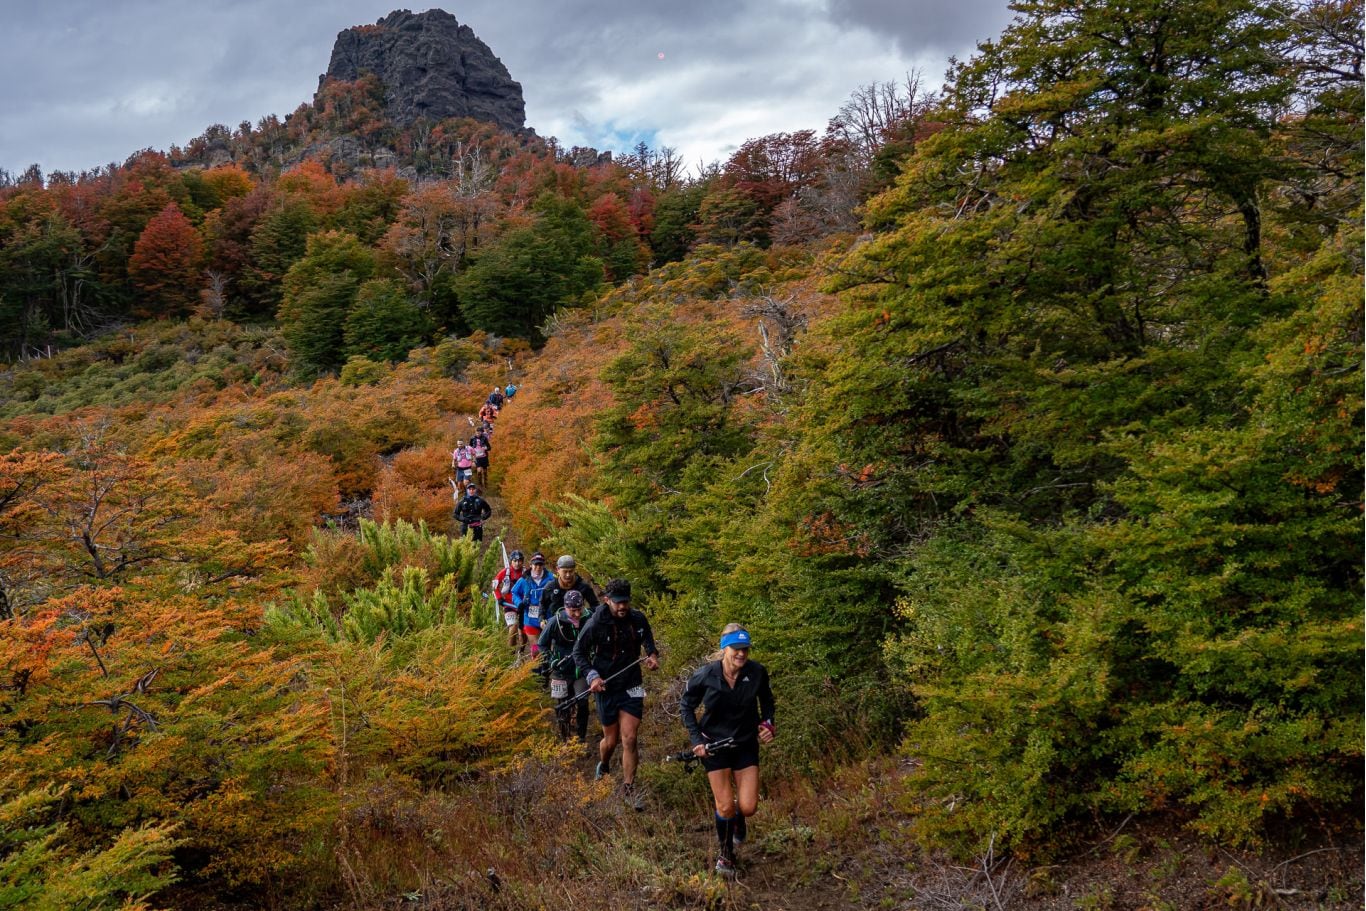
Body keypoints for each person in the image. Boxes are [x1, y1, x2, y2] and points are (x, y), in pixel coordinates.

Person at [679, 625, 775, 877]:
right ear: (724, 649)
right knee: (724, 807)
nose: (741, 654)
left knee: (748, 807)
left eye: (745, 649)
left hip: (745, 745)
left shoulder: (757, 673)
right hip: (714, 747)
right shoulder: (705, 675)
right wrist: (696, 739)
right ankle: (726, 855)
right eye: (736, 649)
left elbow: (767, 701)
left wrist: (768, 724)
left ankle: (738, 820)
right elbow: (686, 706)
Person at [573, 578, 659, 810]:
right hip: (606, 685)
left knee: (629, 737)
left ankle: (628, 787)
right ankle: (604, 763)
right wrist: (592, 676)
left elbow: (649, 642)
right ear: (607, 600)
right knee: (610, 742)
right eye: (618, 602)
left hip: (632, 684)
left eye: (626, 602)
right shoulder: (595, 624)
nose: (623, 607)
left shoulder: (638, 619)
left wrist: (652, 656)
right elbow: (578, 652)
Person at [538, 589, 593, 741]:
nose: (576, 614)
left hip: (581, 670)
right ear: (566, 607)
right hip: (560, 670)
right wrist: (551, 660)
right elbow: (541, 644)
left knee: (582, 702)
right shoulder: (554, 622)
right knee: (563, 705)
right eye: (573, 610)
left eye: (579, 609)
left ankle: (581, 737)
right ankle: (565, 738)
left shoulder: (590, 619)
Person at [511, 552, 555, 657]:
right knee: (535, 647)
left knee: (547, 647)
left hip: (547, 617)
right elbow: (514, 593)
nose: (538, 567)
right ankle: (536, 668)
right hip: (530, 618)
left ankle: (546, 668)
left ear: (543, 565)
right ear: (531, 565)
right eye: (536, 564)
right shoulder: (524, 579)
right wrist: (519, 603)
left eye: (540, 564)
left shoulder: (551, 578)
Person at [541, 555, 600, 621]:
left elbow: (595, 605)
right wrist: (542, 619)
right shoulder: (550, 587)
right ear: (558, 569)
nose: (568, 575)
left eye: (570, 571)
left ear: (574, 570)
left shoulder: (583, 586)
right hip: (557, 624)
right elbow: (542, 604)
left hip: (578, 623)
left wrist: (585, 614)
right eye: (565, 571)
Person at [492, 550, 524, 654]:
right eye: (515, 561)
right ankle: (510, 652)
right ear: (511, 561)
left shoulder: (526, 572)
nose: (517, 563)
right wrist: (499, 597)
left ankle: (521, 652)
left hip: (522, 605)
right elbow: (495, 585)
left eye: (520, 561)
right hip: (508, 604)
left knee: (523, 633)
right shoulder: (505, 572)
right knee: (513, 626)